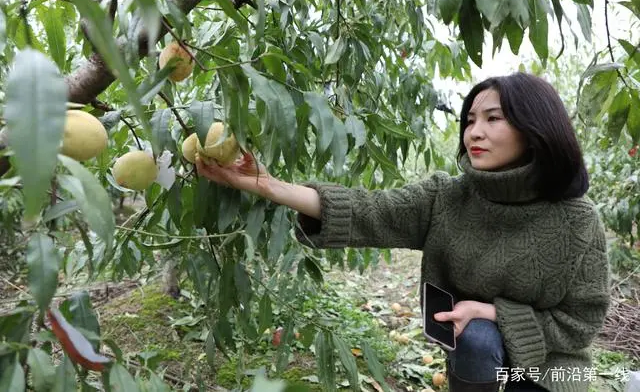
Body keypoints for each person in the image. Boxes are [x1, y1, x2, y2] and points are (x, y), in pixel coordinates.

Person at [196, 73, 611, 392]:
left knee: (482, 331)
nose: (474, 133)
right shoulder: (448, 198)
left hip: (550, 369)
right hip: (475, 354)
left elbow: (581, 323)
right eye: (469, 121)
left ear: (535, 127)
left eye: (493, 118)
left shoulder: (576, 220)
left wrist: (494, 312)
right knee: (478, 339)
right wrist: (267, 186)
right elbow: (369, 211)